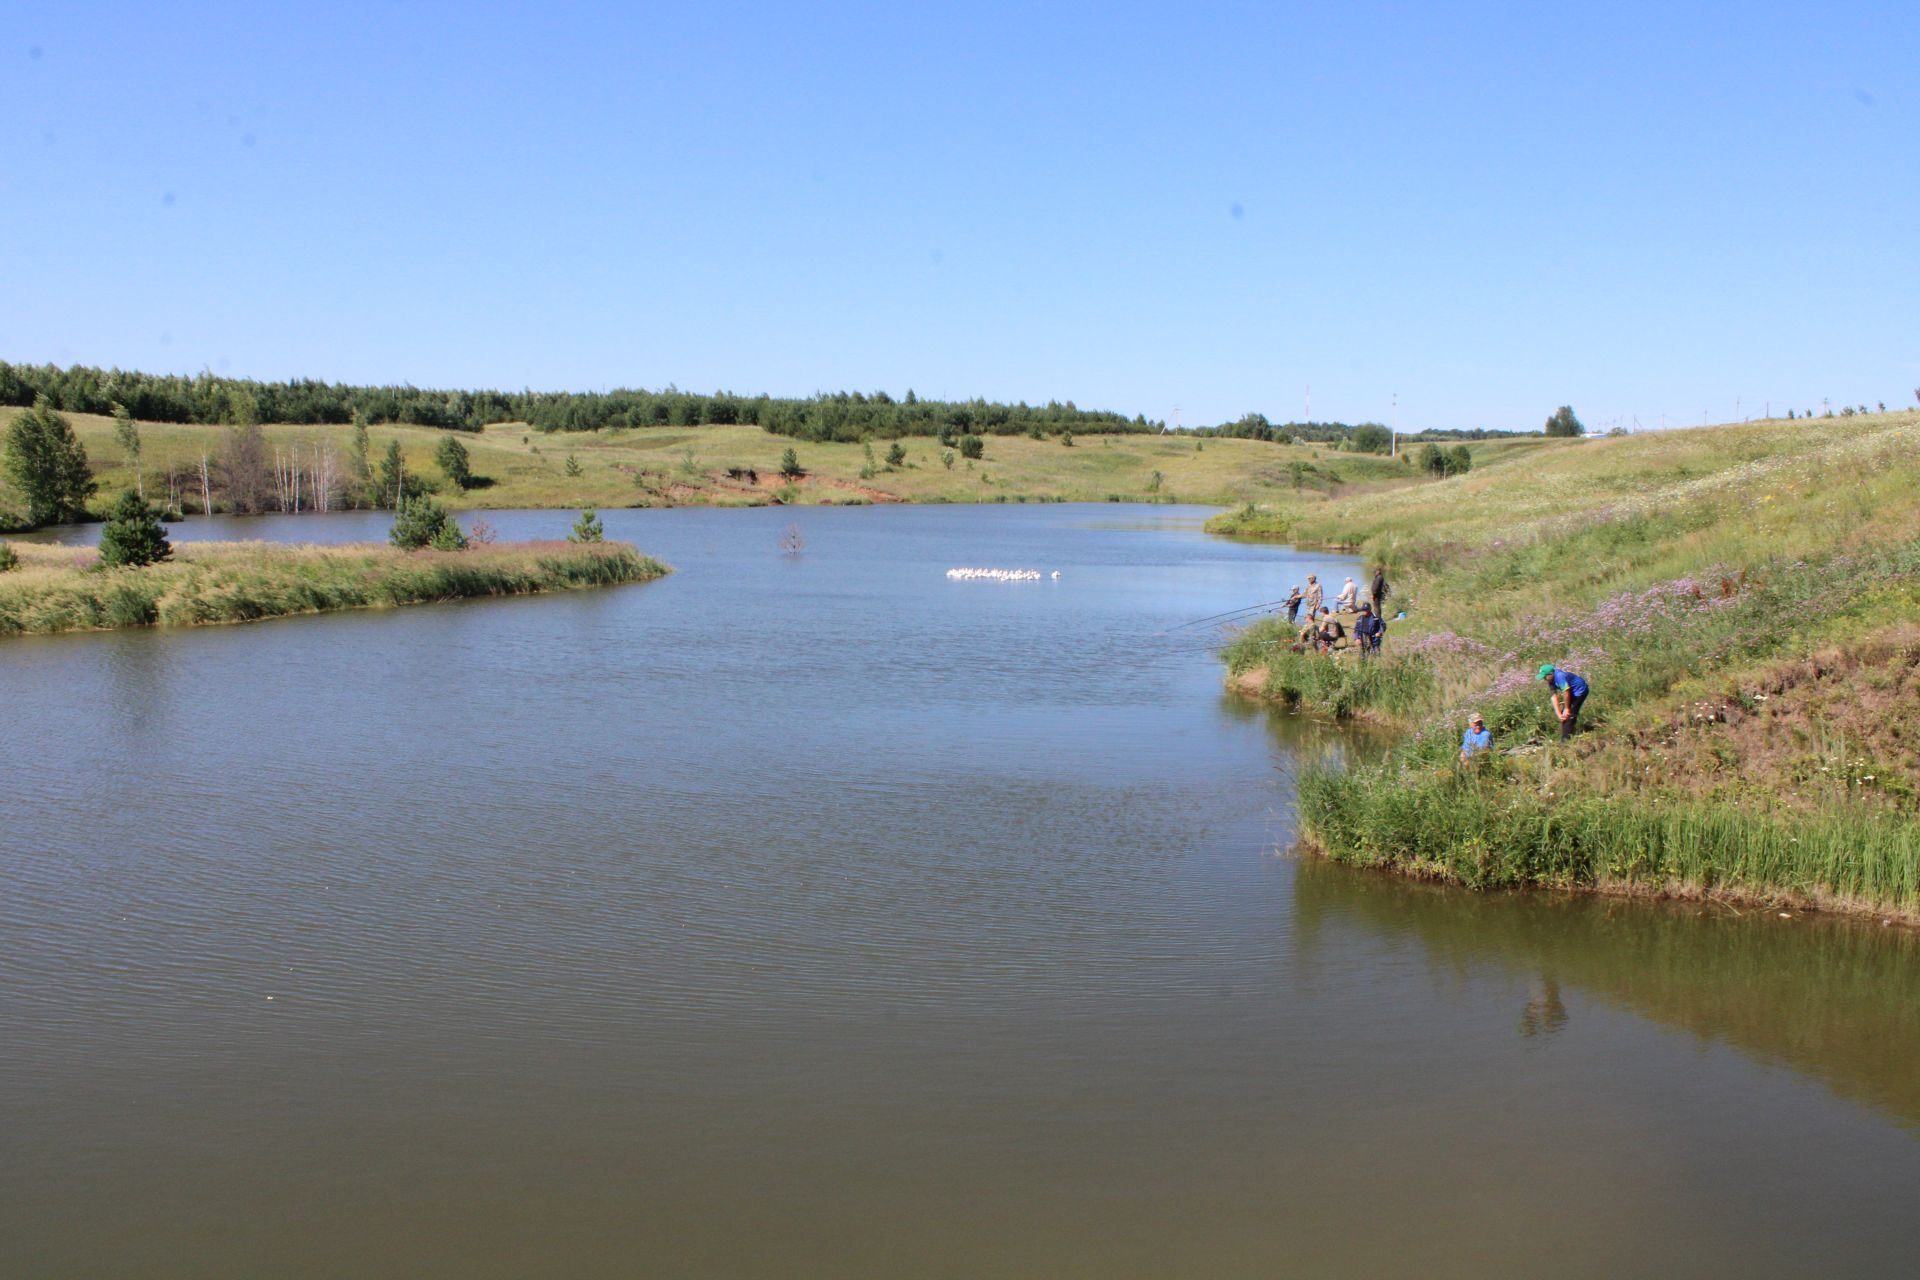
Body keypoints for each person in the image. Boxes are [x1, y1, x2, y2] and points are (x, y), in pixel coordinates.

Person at [1539, 664, 1589, 739]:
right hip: (1571, 692)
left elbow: (1566, 692)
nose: (1544, 679)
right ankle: (1567, 735)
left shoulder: (1559, 676)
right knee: (1564, 715)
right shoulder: (1550, 680)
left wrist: (1567, 708)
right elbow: (1554, 697)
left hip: (1580, 691)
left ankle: (1565, 739)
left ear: (1551, 674)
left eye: (1545, 677)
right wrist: (1559, 714)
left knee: (1570, 713)